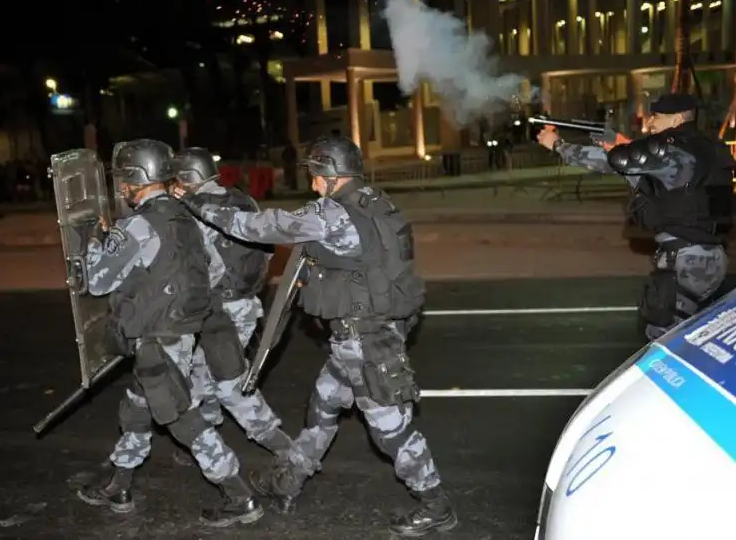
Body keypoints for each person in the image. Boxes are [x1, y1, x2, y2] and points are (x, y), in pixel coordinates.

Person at [174, 135, 457, 537]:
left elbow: (259, 226)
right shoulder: (373, 200)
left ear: (330, 175)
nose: (311, 183)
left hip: (367, 343)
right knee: (322, 408)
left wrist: (198, 203)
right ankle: (288, 481)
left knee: (391, 431)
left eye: (315, 175)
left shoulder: (333, 214)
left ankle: (436, 504)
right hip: (356, 340)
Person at [76, 139, 263, 528]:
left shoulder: (139, 224)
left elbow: (95, 281)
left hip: (157, 337)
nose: (122, 189)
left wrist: (93, 239)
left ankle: (239, 496)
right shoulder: (185, 213)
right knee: (137, 408)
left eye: (124, 181)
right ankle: (119, 483)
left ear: (135, 178)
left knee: (179, 417)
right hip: (180, 330)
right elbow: (211, 271)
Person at [537, 93, 736, 339]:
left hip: (685, 261)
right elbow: (668, 177)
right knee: (699, 340)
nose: (651, 123)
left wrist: (557, 145)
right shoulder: (709, 146)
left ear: (675, 119)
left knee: (661, 339)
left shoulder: (671, 149)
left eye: (657, 117)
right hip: (714, 257)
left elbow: (611, 162)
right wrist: (620, 144)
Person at [168, 147, 298, 464]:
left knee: (229, 385)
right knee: (202, 368)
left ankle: (282, 446)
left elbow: (199, 268)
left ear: (186, 179)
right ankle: (203, 436)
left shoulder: (194, 212)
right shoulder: (240, 199)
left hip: (221, 312)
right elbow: (266, 249)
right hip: (246, 303)